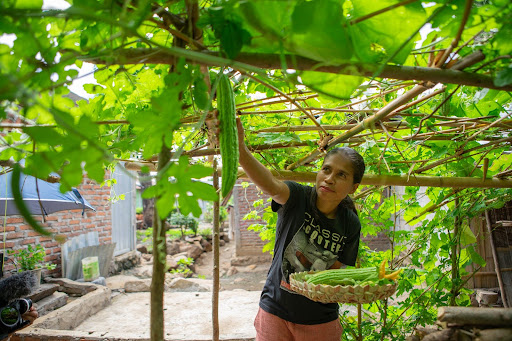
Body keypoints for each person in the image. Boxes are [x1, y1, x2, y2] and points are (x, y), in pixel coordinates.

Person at [236, 118, 365, 341]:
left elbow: (343, 271)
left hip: (320, 321)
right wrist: (239, 149)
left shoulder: (350, 223)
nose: (329, 179)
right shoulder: (297, 197)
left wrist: (359, 280)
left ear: (354, 186)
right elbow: (269, 183)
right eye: (326, 169)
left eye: (341, 175)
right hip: (275, 312)